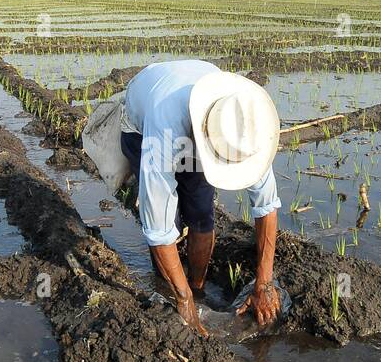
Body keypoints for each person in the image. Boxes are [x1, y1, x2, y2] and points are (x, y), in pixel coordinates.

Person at [81, 60, 282, 334]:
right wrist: (183, 300)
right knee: (167, 220)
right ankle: (168, 289)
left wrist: (264, 283)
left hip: (195, 119)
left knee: (201, 212)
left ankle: (198, 286)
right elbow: (158, 231)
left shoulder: (244, 129)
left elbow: (266, 206)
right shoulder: (162, 130)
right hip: (141, 128)